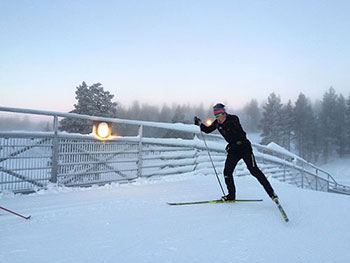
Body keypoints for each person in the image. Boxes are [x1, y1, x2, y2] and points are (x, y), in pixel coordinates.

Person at [194, 103, 278, 202]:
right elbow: (207, 130)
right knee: (227, 172)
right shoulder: (217, 123)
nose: (217, 117)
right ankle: (231, 196)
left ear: (223, 113)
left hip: (244, 147)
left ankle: (272, 194)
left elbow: (238, 134)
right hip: (233, 151)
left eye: (218, 114)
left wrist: (230, 142)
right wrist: (200, 123)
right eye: (215, 114)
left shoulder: (233, 119)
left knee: (254, 170)